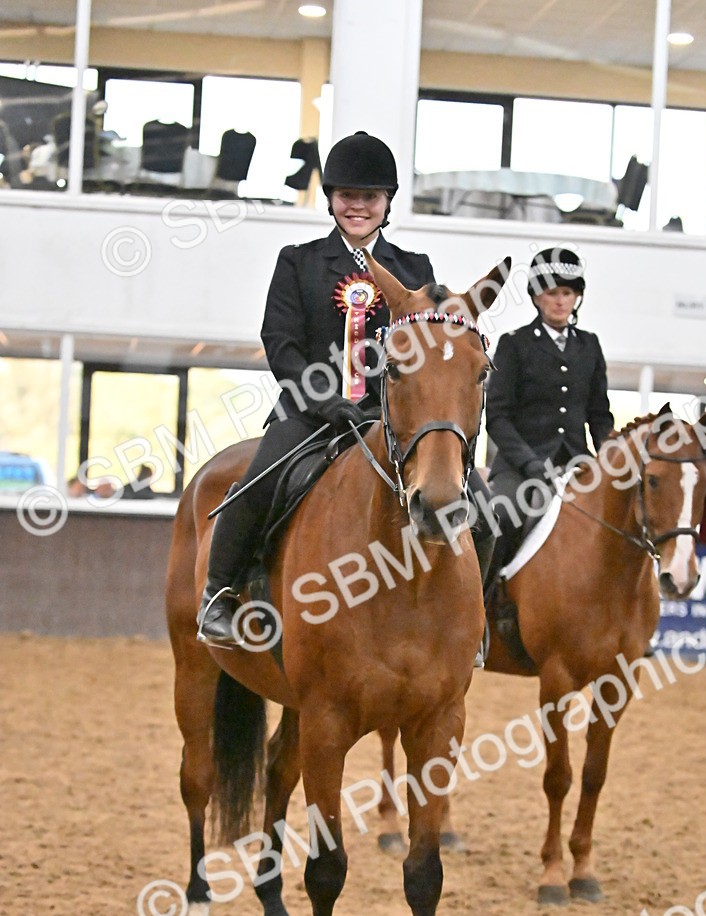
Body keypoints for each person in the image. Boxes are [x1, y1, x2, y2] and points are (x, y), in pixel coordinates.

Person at [197, 130, 495, 650]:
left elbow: (426, 348)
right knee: (256, 485)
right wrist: (322, 401)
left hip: (390, 418)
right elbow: (281, 341)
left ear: (386, 204)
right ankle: (218, 597)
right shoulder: (299, 261)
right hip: (310, 414)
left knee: (485, 511)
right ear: (332, 200)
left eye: (370, 198)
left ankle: (473, 621)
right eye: (347, 197)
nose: (358, 206)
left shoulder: (414, 269)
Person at [485, 246, 614, 565]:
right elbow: (498, 417)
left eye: (566, 293)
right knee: (501, 514)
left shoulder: (590, 345)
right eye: (551, 292)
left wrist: (612, 457)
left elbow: (599, 414)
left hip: (577, 462)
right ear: (536, 297)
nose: (559, 300)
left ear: (576, 298)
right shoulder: (514, 344)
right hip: (521, 468)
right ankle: (486, 599)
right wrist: (529, 462)